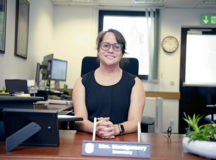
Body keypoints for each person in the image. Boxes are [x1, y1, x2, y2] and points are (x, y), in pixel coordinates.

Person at [72, 29, 145, 139]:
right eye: (106, 45)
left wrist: (116, 129)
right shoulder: (81, 82)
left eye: (116, 46)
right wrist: (96, 128)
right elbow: (80, 120)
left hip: (122, 141)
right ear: (98, 50)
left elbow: (135, 121)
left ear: (122, 52)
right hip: (89, 140)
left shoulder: (135, 83)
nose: (111, 50)